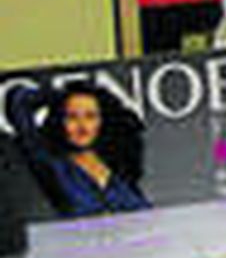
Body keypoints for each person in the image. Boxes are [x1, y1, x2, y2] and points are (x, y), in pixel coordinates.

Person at [4, 82, 150, 217]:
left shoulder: (116, 168)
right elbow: (19, 101)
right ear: (59, 121)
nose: (82, 126)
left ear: (103, 121)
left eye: (90, 116)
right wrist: (58, 96)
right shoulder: (54, 163)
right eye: (72, 117)